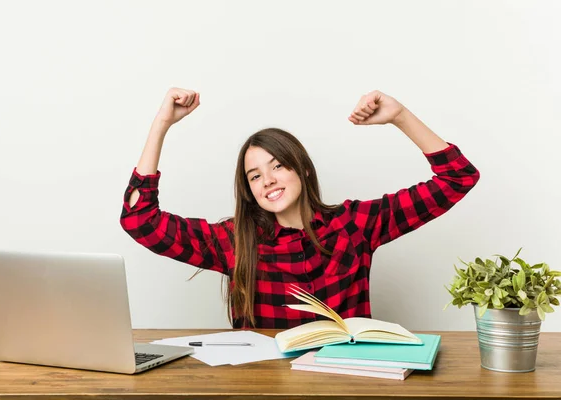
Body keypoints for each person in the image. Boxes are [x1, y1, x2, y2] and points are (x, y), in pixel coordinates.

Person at [120, 87, 480, 329]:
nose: (268, 181)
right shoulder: (235, 240)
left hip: (346, 383)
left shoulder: (355, 224)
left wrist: (400, 115)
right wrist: (161, 125)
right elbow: (140, 221)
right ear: (249, 189)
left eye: (277, 166)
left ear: (303, 168)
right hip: (263, 388)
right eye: (255, 176)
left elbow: (458, 178)